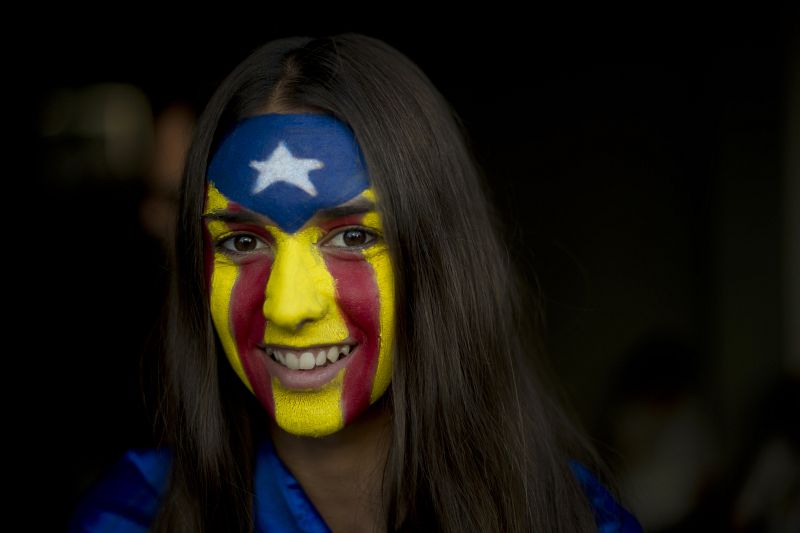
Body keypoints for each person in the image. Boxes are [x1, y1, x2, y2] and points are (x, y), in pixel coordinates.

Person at [69, 33, 643, 532]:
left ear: (438, 261)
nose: (288, 306)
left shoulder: (574, 520)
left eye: (352, 238)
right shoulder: (133, 519)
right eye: (242, 242)